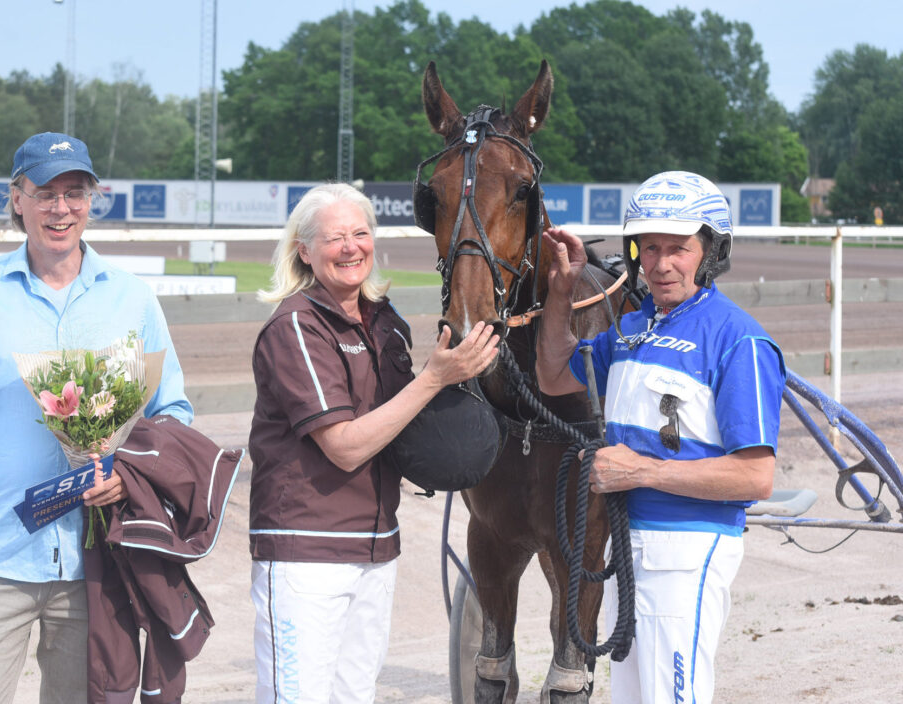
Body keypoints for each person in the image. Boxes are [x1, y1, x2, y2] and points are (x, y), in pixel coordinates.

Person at [0, 132, 193, 704]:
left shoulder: (132, 298)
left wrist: (124, 474)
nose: (61, 208)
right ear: (18, 199)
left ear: (92, 199)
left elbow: (174, 414)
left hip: (98, 560)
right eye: (45, 193)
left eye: (75, 192)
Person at [535, 171, 786, 704]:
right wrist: (560, 294)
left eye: (678, 248)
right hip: (627, 549)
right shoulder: (631, 328)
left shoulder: (738, 338)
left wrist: (643, 472)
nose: (661, 263)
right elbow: (553, 376)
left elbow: (757, 477)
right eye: (650, 248)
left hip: (686, 551)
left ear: (710, 251)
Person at [248, 183, 499, 703]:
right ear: (305, 250)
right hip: (306, 556)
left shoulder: (385, 322)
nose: (350, 247)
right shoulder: (297, 325)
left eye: (360, 233)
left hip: (376, 549)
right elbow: (342, 445)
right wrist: (433, 379)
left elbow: (404, 426)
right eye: (334, 237)